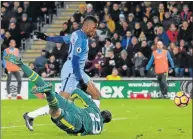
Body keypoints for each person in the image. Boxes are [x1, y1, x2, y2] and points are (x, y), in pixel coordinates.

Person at [24, 16, 101, 131]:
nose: (94, 31)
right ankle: (30, 115)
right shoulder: (81, 39)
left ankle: (95, 120)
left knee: (96, 94)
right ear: (87, 26)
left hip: (78, 70)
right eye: (94, 28)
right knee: (60, 103)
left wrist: (46, 37)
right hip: (72, 71)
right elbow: (75, 61)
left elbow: (63, 39)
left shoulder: (77, 34)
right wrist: (80, 80)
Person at [4, 54, 112, 135]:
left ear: (101, 111)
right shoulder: (100, 128)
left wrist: (70, 102)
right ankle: (48, 92)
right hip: (79, 125)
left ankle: (22, 65)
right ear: (105, 121)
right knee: (55, 112)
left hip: (77, 111)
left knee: (43, 84)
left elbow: (77, 92)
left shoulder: (94, 108)